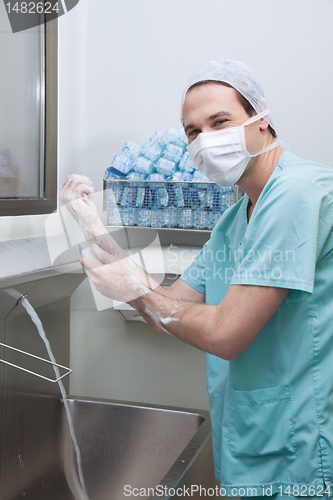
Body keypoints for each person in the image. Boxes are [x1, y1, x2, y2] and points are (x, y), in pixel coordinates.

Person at [60, 58, 333, 499]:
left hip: (299, 447)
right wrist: (91, 227)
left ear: (261, 119)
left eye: (220, 121)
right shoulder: (233, 220)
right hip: (251, 437)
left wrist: (137, 288)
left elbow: (225, 333)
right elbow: (166, 307)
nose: (206, 140)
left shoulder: (296, 193)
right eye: (193, 131)